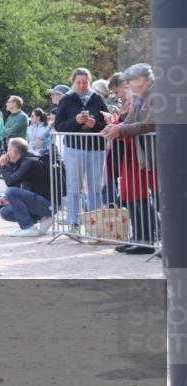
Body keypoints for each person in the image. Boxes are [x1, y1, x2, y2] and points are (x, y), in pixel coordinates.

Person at [101, 63, 159, 254]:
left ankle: (160, 243)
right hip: (145, 155)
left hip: (158, 155)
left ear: (141, 80)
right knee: (146, 199)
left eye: (130, 81)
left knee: (160, 201)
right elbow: (130, 121)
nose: (128, 85)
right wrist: (115, 128)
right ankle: (144, 239)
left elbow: (151, 124)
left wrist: (120, 130)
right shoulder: (141, 97)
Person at [53, 68, 108, 228]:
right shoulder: (66, 100)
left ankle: (95, 223)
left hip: (96, 148)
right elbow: (59, 125)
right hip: (74, 148)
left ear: (89, 82)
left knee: (95, 187)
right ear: (73, 82)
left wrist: (94, 124)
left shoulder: (98, 98)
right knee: (74, 187)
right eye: (79, 83)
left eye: (85, 82)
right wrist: (75, 121)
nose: (83, 86)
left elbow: (107, 124)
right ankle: (74, 222)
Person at [0, 138, 54, 237]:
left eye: (9, 150)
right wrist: (11, 200)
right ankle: (43, 219)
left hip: (48, 204)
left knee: (10, 192)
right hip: (40, 202)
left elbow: (10, 183)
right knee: (5, 212)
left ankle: (28, 227)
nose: (7, 153)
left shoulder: (28, 162)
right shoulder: (22, 161)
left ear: (16, 151)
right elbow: (18, 184)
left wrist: (4, 166)